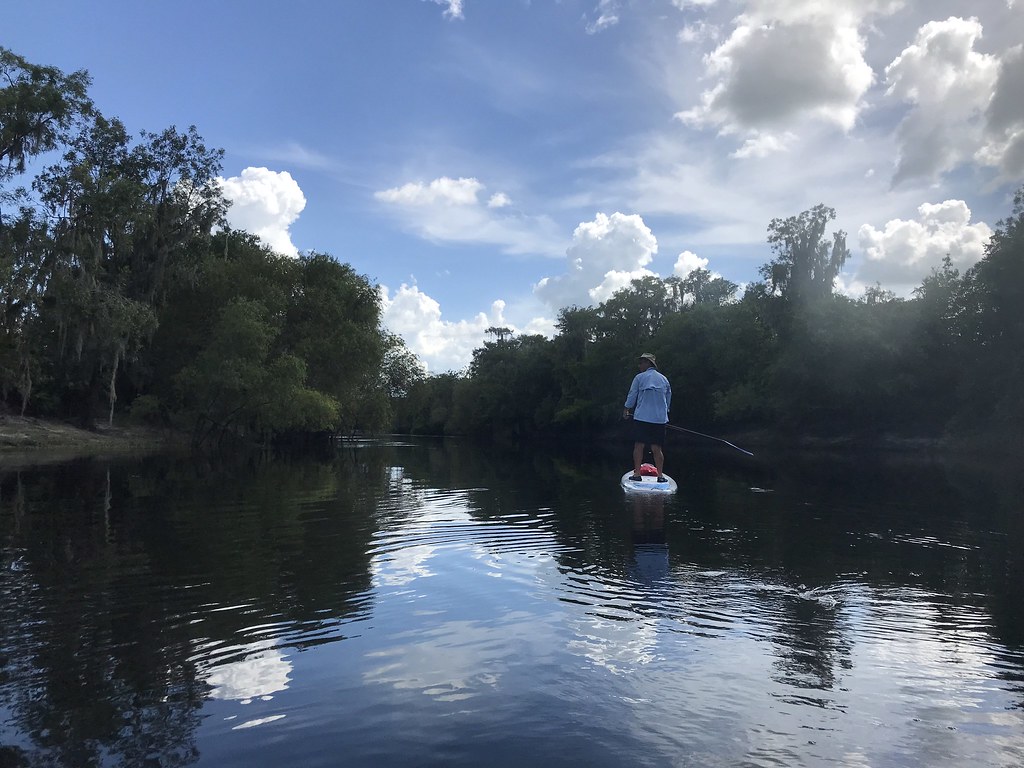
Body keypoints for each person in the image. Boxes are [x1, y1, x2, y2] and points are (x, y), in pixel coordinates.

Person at [622, 352, 671, 482]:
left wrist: (626, 409)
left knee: (639, 445)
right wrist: (665, 412)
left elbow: (632, 395)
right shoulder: (664, 379)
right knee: (657, 448)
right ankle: (660, 476)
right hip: (659, 419)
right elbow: (668, 399)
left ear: (648, 363)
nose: (639, 365)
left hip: (642, 418)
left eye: (641, 362)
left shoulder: (639, 378)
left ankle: (637, 474)